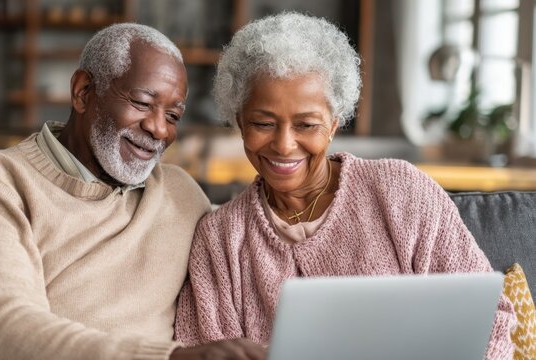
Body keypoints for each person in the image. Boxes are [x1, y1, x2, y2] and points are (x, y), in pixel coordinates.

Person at [174, 12, 516, 359]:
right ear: (239, 122)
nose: (283, 144)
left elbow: (492, 322)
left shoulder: (402, 191)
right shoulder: (219, 239)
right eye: (263, 122)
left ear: (334, 125)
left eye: (306, 125)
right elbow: (200, 346)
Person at [0, 23, 265, 360]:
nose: (159, 128)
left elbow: (250, 246)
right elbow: (1, 330)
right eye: (142, 103)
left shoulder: (180, 195)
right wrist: (171, 357)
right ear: (83, 91)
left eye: (174, 115)